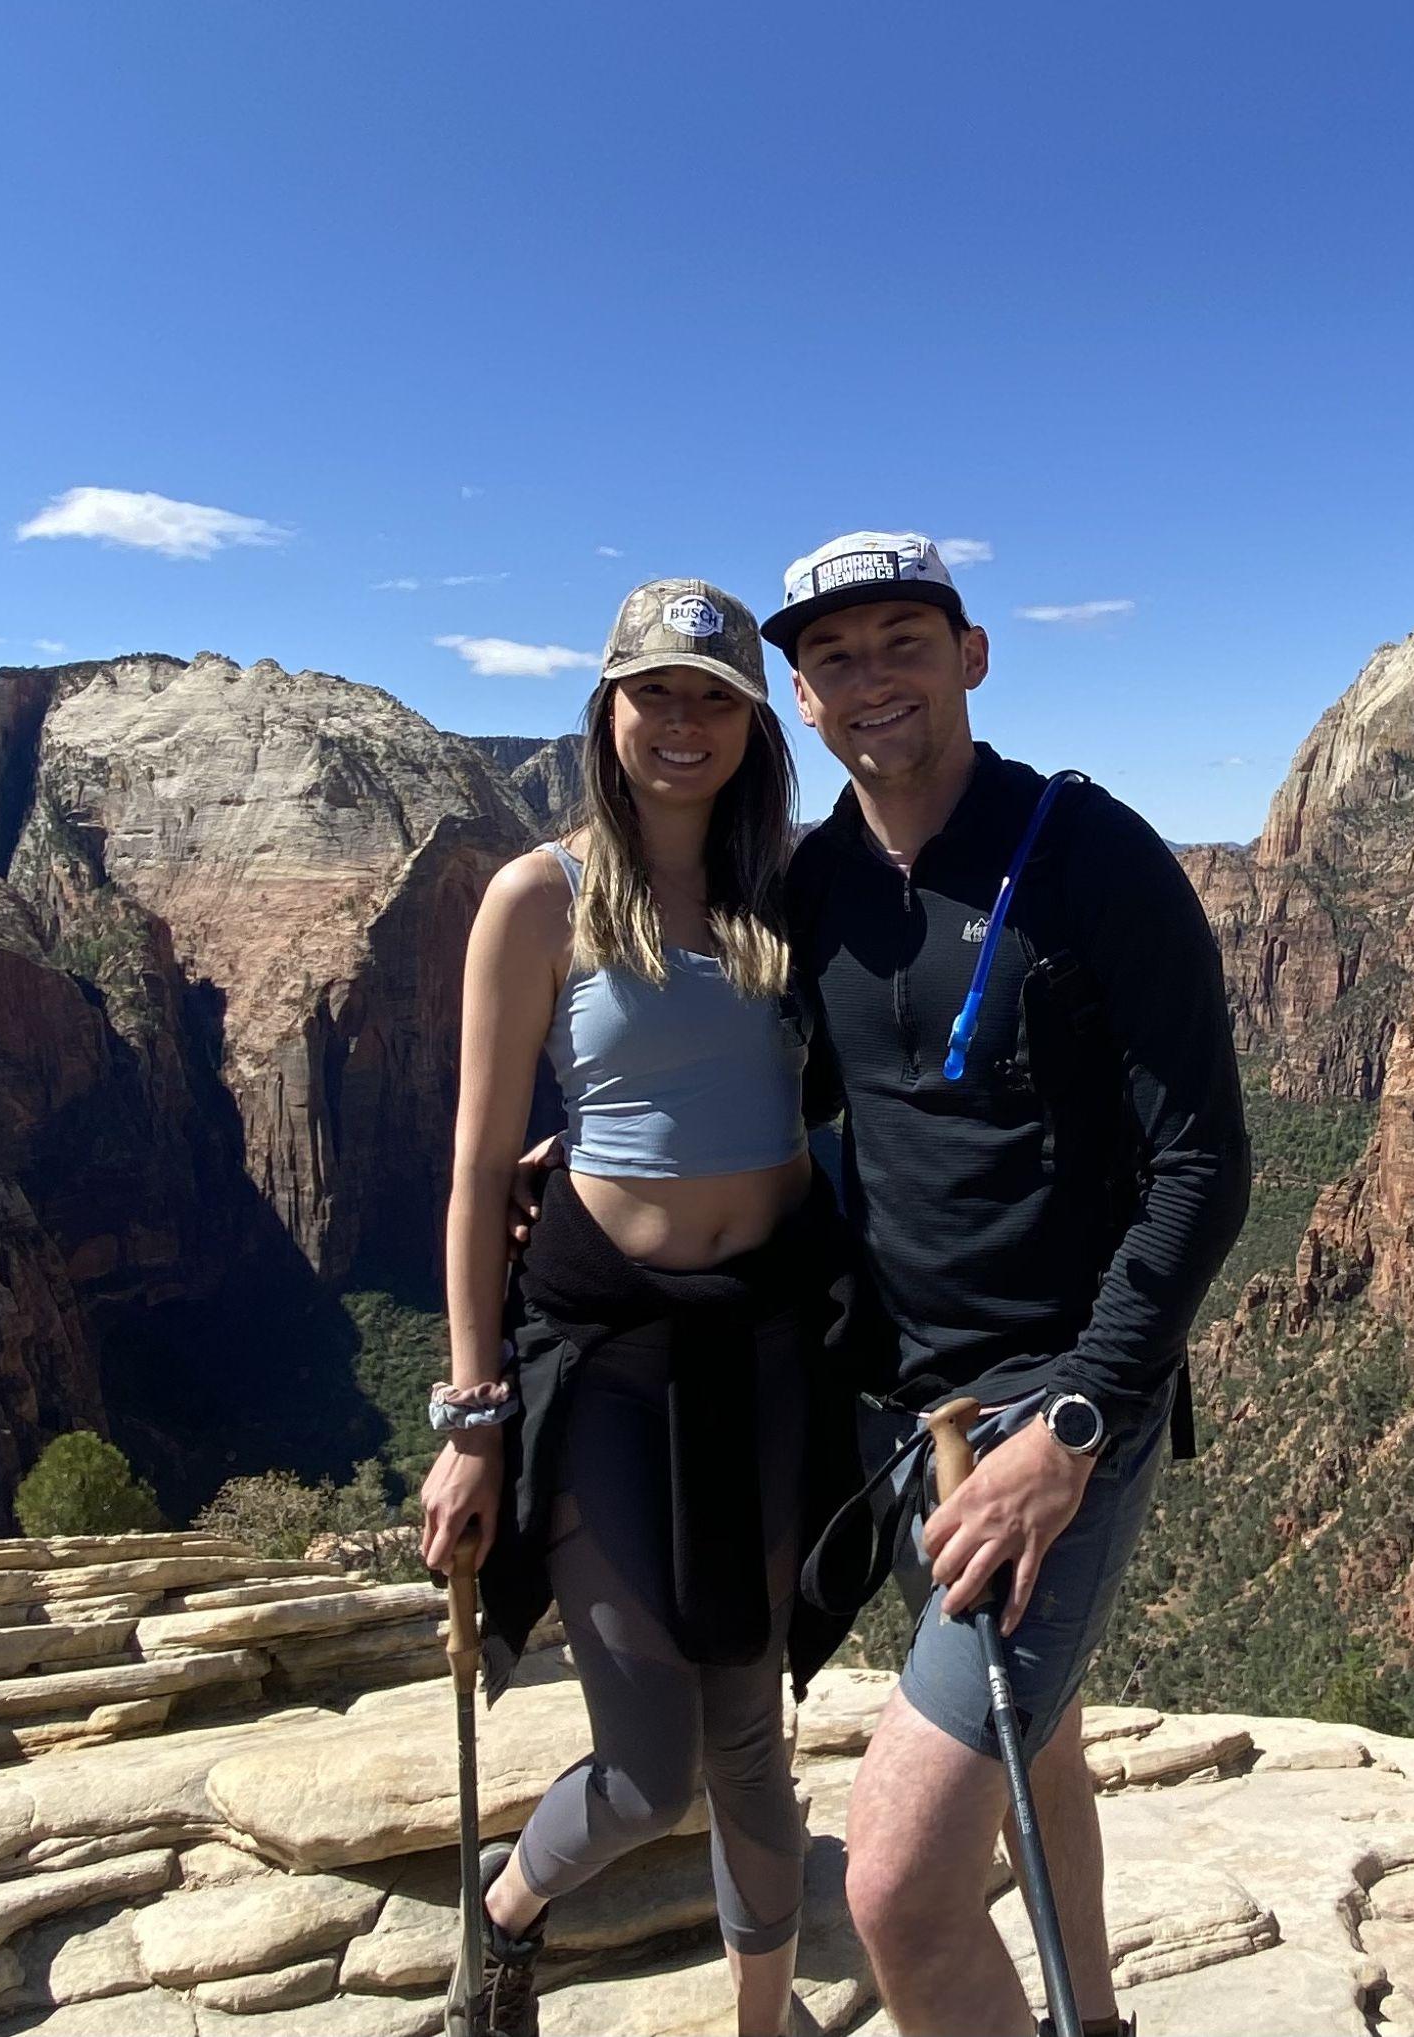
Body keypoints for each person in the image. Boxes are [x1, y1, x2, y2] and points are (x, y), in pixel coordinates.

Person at [767, 533, 1250, 2037]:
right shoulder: (815, 885)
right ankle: (1090, 2018)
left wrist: (1079, 1425)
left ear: (972, 656)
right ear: (798, 695)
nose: (872, 682)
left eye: (903, 640)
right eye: (835, 657)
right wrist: (563, 1162)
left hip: (1056, 1407)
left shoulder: (1089, 851)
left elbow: (1204, 1165)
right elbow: (772, 1115)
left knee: (900, 1885)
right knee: (1032, 1752)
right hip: (910, 1413)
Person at [417, 580, 860, 2037]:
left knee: (751, 1732)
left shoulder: (794, 886)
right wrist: (473, 1419)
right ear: (606, 711)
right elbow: (481, 1172)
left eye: (713, 695)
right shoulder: (535, 894)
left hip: (772, 1341)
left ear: (752, 721)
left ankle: (759, 2018)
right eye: (654, 691)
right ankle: (502, 1919)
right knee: (646, 1761)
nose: (683, 721)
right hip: (606, 1352)